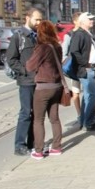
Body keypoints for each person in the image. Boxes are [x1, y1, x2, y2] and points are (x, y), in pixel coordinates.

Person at [25, 21, 65, 159]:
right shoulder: (57, 47)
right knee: (54, 119)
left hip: (43, 88)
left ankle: (39, 150)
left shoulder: (42, 48)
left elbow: (30, 66)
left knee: (38, 120)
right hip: (57, 86)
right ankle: (56, 147)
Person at [8, 8, 43, 155]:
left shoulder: (39, 36)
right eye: (36, 19)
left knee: (36, 113)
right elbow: (11, 59)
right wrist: (24, 71)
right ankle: (19, 145)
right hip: (26, 82)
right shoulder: (19, 36)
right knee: (25, 113)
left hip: (39, 81)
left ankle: (32, 143)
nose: (39, 22)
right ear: (27, 18)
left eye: (40, 20)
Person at [70, 12, 95, 131]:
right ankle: (88, 122)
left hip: (90, 68)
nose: (92, 21)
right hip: (86, 69)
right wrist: (84, 63)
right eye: (90, 19)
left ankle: (85, 120)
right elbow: (74, 51)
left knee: (88, 96)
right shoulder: (79, 34)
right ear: (83, 21)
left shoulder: (87, 34)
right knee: (91, 95)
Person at [61, 12, 82, 124]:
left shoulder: (85, 33)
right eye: (81, 19)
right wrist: (68, 66)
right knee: (76, 92)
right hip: (75, 69)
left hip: (85, 67)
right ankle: (79, 114)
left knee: (90, 91)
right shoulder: (69, 35)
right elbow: (63, 54)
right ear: (75, 21)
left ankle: (88, 112)